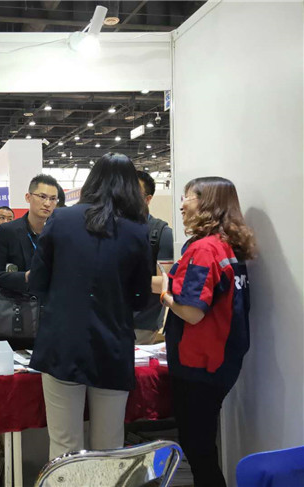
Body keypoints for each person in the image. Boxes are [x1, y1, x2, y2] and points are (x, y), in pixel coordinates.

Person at [28, 153, 151, 460]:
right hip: (113, 344)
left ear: (91, 181)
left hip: (62, 342)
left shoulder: (61, 219)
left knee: (64, 445)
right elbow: (141, 296)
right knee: (109, 447)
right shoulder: (137, 230)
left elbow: (37, 282)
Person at [161, 177, 255, 487]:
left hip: (199, 364)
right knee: (202, 445)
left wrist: (166, 296)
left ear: (207, 203)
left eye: (187, 197)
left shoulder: (203, 250)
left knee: (198, 448)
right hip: (222, 360)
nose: (182, 205)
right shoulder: (228, 246)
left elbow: (192, 312)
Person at [0, 174, 59, 293]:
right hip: (18, 300)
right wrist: (25, 277)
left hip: (50, 300)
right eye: (42, 197)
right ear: (28, 197)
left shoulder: (58, 232)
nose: (47, 203)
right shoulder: (8, 231)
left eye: (52, 199)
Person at [134, 171, 174, 344]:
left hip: (142, 324)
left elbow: (166, 283)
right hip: (107, 319)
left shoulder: (161, 233)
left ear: (147, 199)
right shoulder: (109, 229)